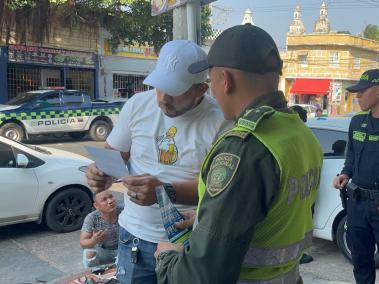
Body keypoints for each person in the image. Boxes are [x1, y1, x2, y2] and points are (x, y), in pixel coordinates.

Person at [154, 25, 323, 283]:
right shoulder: (300, 133)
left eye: (211, 82)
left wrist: (167, 259)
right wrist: (204, 220)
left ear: (226, 80)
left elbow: (203, 275)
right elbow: (271, 215)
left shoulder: (244, 149)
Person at [85, 40, 228, 283]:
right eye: (159, 86)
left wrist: (164, 191)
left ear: (200, 90)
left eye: (174, 91)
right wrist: (100, 174)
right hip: (134, 239)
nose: (162, 98)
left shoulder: (221, 121)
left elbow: (220, 192)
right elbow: (113, 154)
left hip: (187, 243)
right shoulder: (137, 105)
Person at [332, 69, 379, 284]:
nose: (357, 96)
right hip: (357, 202)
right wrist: (345, 173)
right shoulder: (356, 122)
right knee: (361, 262)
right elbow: (351, 154)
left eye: (362, 91)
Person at [80, 190, 121, 268]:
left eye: (111, 197)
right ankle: (95, 274)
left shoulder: (124, 211)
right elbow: (83, 243)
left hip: (123, 249)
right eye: (104, 200)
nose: (110, 201)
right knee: (88, 253)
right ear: (96, 206)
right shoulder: (92, 218)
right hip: (103, 251)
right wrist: (94, 240)